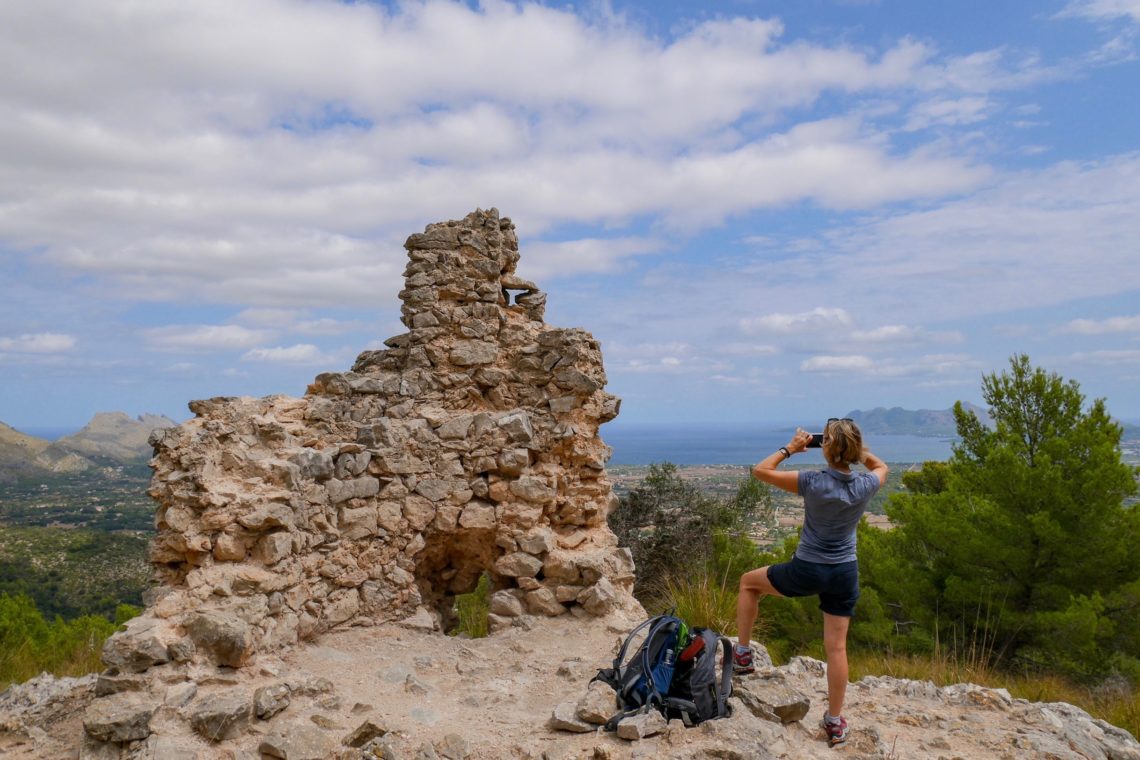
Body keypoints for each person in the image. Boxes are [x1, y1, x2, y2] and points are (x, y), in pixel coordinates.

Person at [732, 418, 888, 747]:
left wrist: (790, 448)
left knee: (748, 584)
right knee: (837, 648)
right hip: (845, 572)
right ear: (855, 449)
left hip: (807, 569)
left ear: (824, 448)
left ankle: (742, 655)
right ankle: (834, 722)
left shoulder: (813, 481)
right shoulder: (864, 485)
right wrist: (857, 454)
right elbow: (881, 466)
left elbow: (760, 471)